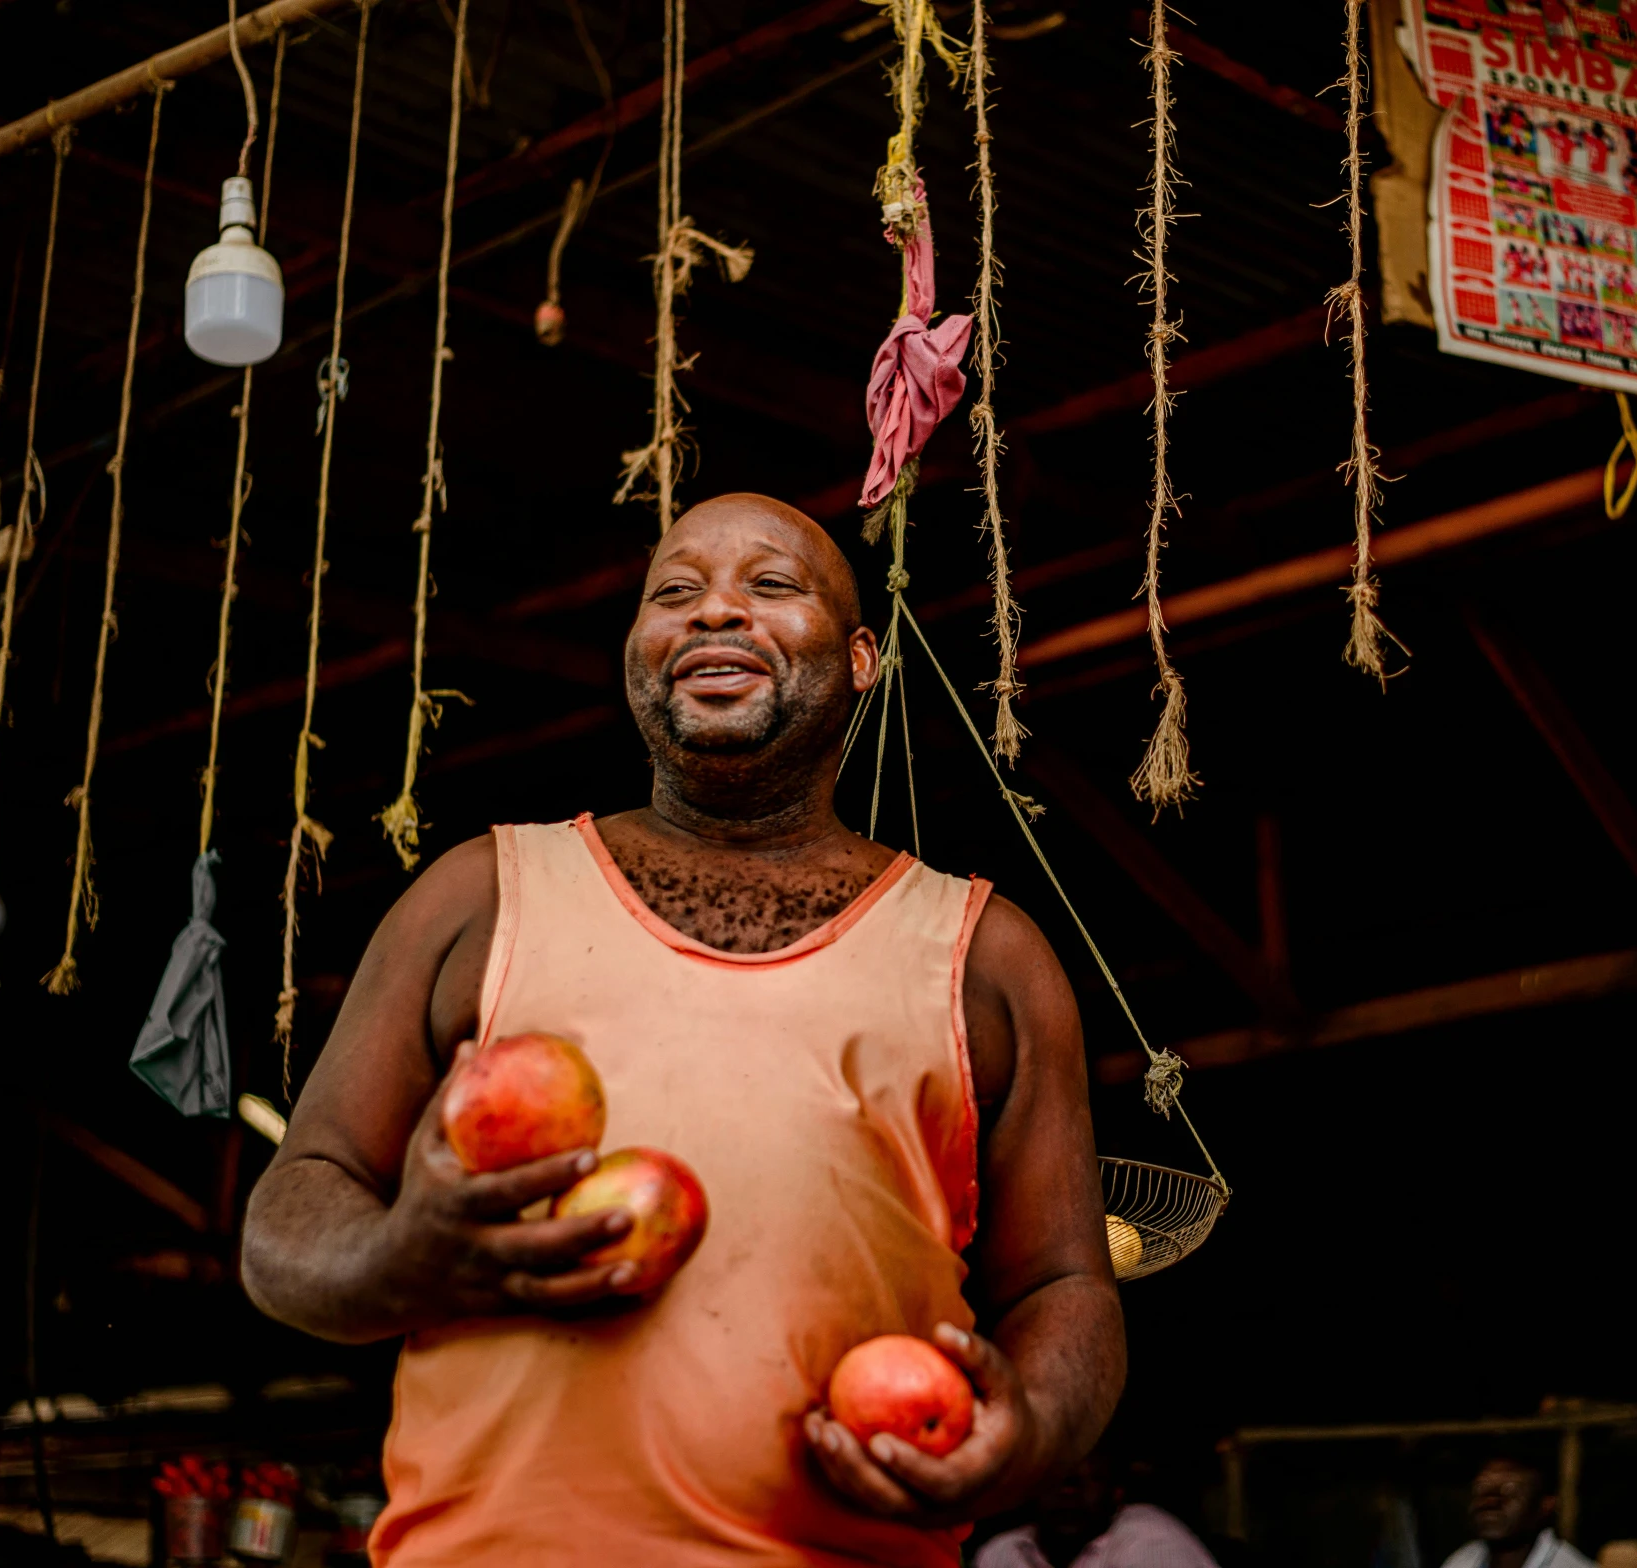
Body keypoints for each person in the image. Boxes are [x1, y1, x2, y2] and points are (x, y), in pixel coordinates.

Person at [240, 494, 1126, 1566]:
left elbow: (1064, 1289)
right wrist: (402, 1256)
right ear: (635, 652)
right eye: (676, 592)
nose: (715, 613)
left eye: (770, 585)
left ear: (860, 658)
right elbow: (287, 1219)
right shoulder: (474, 899)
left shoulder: (991, 955)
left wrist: (1023, 1431)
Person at [975, 1451, 1220, 1568]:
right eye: (1056, 1478)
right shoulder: (1003, 1554)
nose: (1069, 1492)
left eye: (1092, 1478)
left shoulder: (1150, 1542)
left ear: (1117, 1494)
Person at [1437, 1457, 1593, 1568]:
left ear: (1545, 1505)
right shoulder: (1462, 1561)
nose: (1490, 1501)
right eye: (1482, 1488)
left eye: (1510, 1490)